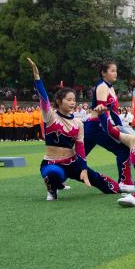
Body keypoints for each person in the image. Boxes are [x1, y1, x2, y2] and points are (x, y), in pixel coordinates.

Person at [26, 58, 120, 200]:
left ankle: (120, 187)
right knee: (53, 174)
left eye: (74, 100)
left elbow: (80, 148)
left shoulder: (78, 123)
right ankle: (53, 188)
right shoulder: (50, 116)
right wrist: (37, 77)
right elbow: (43, 98)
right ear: (59, 101)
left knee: (108, 186)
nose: (72, 103)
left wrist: (83, 169)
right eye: (68, 100)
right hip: (51, 163)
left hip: (73, 163)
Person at [81, 61, 135, 192]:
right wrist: (112, 131)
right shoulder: (102, 87)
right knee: (123, 149)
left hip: (95, 126)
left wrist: (121, 127)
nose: (115, 73)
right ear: (103, 73)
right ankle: (124, 182)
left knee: (77, 157)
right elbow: (101, 112)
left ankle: (57, 180)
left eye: (116, 71)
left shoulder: (110, 87)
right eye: (112, 71)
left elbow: (113, 112)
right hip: (97, 125)